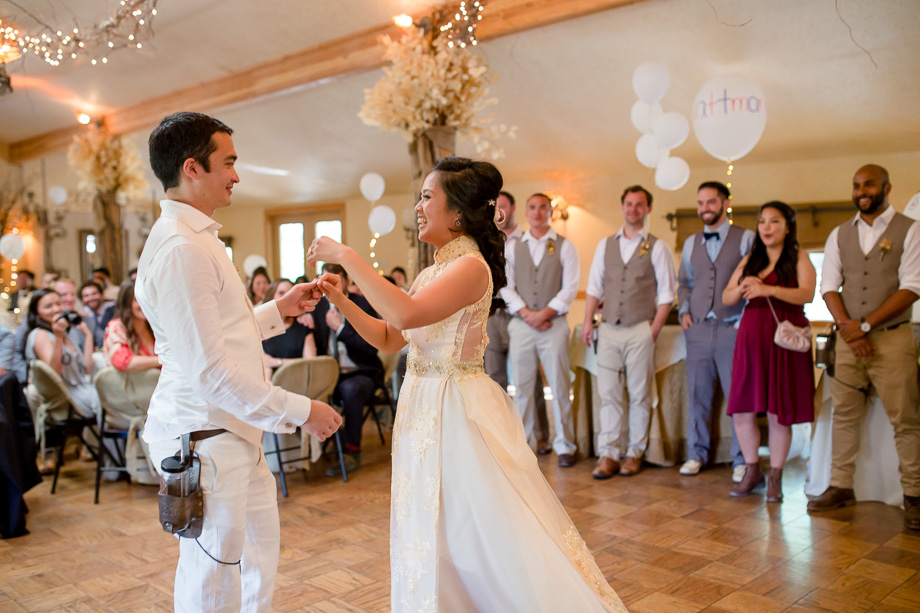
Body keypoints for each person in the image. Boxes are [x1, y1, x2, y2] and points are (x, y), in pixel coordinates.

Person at [307, 156, 625, 612]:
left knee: (472, 530)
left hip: (455, 409)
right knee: (430, 522)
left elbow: (405, 314)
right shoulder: (430, 273)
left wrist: (347, 256)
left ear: (457, 213)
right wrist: (342, 300)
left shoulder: (472, 268)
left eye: (426, 197)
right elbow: (390, 336)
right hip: (420, 406)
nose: (418, 207)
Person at [139, 111, 342, 612]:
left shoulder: (200, 238)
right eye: (228, 162)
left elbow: (219, 332)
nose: (236, 175)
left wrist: (278, 310)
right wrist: (301, 410)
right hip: (205, 439)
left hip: (233, 432)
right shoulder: (182, 248)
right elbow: (209, 371)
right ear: (192, 168)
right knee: (212, 580)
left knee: (255, 565)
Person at [809, 164, 920, 529]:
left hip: (893, 339)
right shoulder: (839, 234)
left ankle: (915, 494)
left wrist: (866, 326)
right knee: (844, 414)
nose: (861, 192)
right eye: (856, 186)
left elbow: (912, 287)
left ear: (886, 188)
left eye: (869, 185)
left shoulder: (911, 229)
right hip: (848, 340)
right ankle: (840, 486)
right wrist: (849, 329)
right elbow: (828, 286)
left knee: (906, 418)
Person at [723, 201, 816, 502]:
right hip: (751, 339)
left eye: (774, 221)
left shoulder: (799, 257)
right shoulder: (749, 260)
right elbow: (727, 297)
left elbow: (807, 294)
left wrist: (769, 289)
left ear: (788, 227)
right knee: (742, 408)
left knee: (779, 411)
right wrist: (743, 285)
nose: (766, 227)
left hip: (783, 340)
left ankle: (775, 477)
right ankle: (752, 471)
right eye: (762, 221)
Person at [582, 185, 676, 479]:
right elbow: (594, 287)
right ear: (622, 207)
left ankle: (634, 453)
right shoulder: (605, 245)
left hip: (640, 328)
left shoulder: (657, 247)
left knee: (639, 393)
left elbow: (667, 295)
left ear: (648, 209)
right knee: (608, 392)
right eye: (629, 203)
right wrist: (588, 322)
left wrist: (653, 330)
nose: (633, 209)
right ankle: (608, 454)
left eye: (639, 204)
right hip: (609, 327)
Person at [677, 182, 753, 481]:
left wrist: (742, 321)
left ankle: (741, 459)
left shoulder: (746, 238)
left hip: (731, 328)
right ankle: (696, 454)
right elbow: (685, 283)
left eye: (710, 202)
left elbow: (753, 282)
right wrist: (684, 312)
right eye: (700, 203)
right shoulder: (690, 243)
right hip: (697, 329)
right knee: (697, 395)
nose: (704, 208)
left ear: (725, 203)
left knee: (738, 397)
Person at [502, 193, 580, 467]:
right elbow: (505, 285)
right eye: (532, 207)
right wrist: (527, 314)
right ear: (526, 211)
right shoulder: (512, 247)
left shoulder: (565, 246)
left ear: (550, 212)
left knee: (560, 386)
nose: (537, 212)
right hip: (521, 325)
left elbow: (570, 287)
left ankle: (565, 445)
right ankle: (523, 446)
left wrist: (544, 314)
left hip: (554, 326)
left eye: (542, 207)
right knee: (522, 388)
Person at [485, 190, 550, 453]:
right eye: (494, 207)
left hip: (521, 316)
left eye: (502, 206)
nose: (498, 212)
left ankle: (540, 436)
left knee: (529, 379)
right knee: (494, 379)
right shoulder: (484, 239)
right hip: (492, 315)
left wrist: (527, 313)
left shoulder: (526, 239)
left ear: (513, 208)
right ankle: (503, 438)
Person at [310, 263, 385, 476]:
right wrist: (303, 321)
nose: (328, 286)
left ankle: (352, 452)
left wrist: (340, 328)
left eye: (333, 281)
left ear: (346, 281)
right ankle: (321, 448)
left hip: (361, 372)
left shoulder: (362, 305)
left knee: (351, 390)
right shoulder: (318, 307)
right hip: (329, 376)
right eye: (324, 281)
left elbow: (372, 347)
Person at [24, 288, 100, 418]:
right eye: (48, 306)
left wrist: (88, 336)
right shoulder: (40, 334)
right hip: (66, 397)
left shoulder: (65, 333)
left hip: (83, 387)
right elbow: (54, 372)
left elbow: (86, 368)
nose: (56, 309)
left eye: (58, 304)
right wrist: (58, 337)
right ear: (37, 313)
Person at [103, 279, 160, 372]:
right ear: (126, 303)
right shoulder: (116, 327)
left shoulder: (154, 325)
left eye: (148, 298)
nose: (145, 304)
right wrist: (163, 360)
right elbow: (123, 361)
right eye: (137, 300)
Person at [260, 278, 317, 370]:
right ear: (272, 296)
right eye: (281, 293)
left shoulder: (303, 326)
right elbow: (262, 362)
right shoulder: (261, 328)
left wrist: (277, 362)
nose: (286, 298)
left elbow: (311, 364)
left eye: (290, 293)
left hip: (297, 377)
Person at [80, 280, 115, 349]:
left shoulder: (113, 310)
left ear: (102, 295)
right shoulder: (83, 314)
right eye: (86, 296)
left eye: (94, 294)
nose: (91, 298)